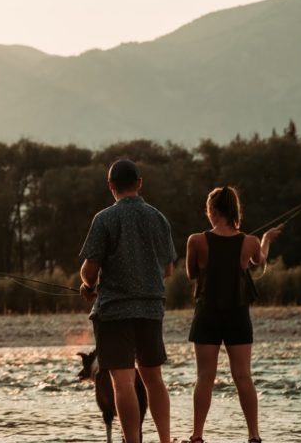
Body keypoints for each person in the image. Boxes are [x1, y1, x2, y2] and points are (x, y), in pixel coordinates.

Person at [79, 159, 178, 443]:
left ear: (111, 186)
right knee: (154, 380)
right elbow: (169, 269)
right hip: (150, 310)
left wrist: (88, 285)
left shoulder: (104, 219)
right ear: (140, 183)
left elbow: (89, 269)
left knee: (122, 385)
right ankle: (165, 441)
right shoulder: (158, 218)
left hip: (114, 314)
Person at [182, 186, 282, 443]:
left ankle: (197, 436)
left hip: (207, 314)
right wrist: (266, 240)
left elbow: (191, 274)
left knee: (205, 377)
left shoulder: (196, 240)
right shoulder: (249, 242)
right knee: (243, 376)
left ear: (213, 211)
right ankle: (254, 435)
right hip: (238, 315)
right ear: (234, 210)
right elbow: (259, 262)